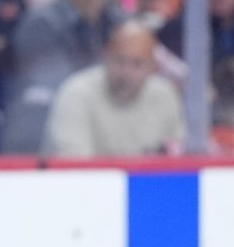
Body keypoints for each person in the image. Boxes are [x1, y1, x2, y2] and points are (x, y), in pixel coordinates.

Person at [0, 0, 131, 153]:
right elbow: (63, 90)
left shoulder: (118, 24)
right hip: (42, 144)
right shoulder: (41, 25)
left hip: (102, 141)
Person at [42, 19, 186, 157]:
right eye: (120, 60)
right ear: (105, 55)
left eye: (138, 64)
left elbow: (181, 156)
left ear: (154, 66)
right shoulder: (75, 94)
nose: (127, 72)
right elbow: (75, 171)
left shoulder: (165, 95)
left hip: (149, 183)